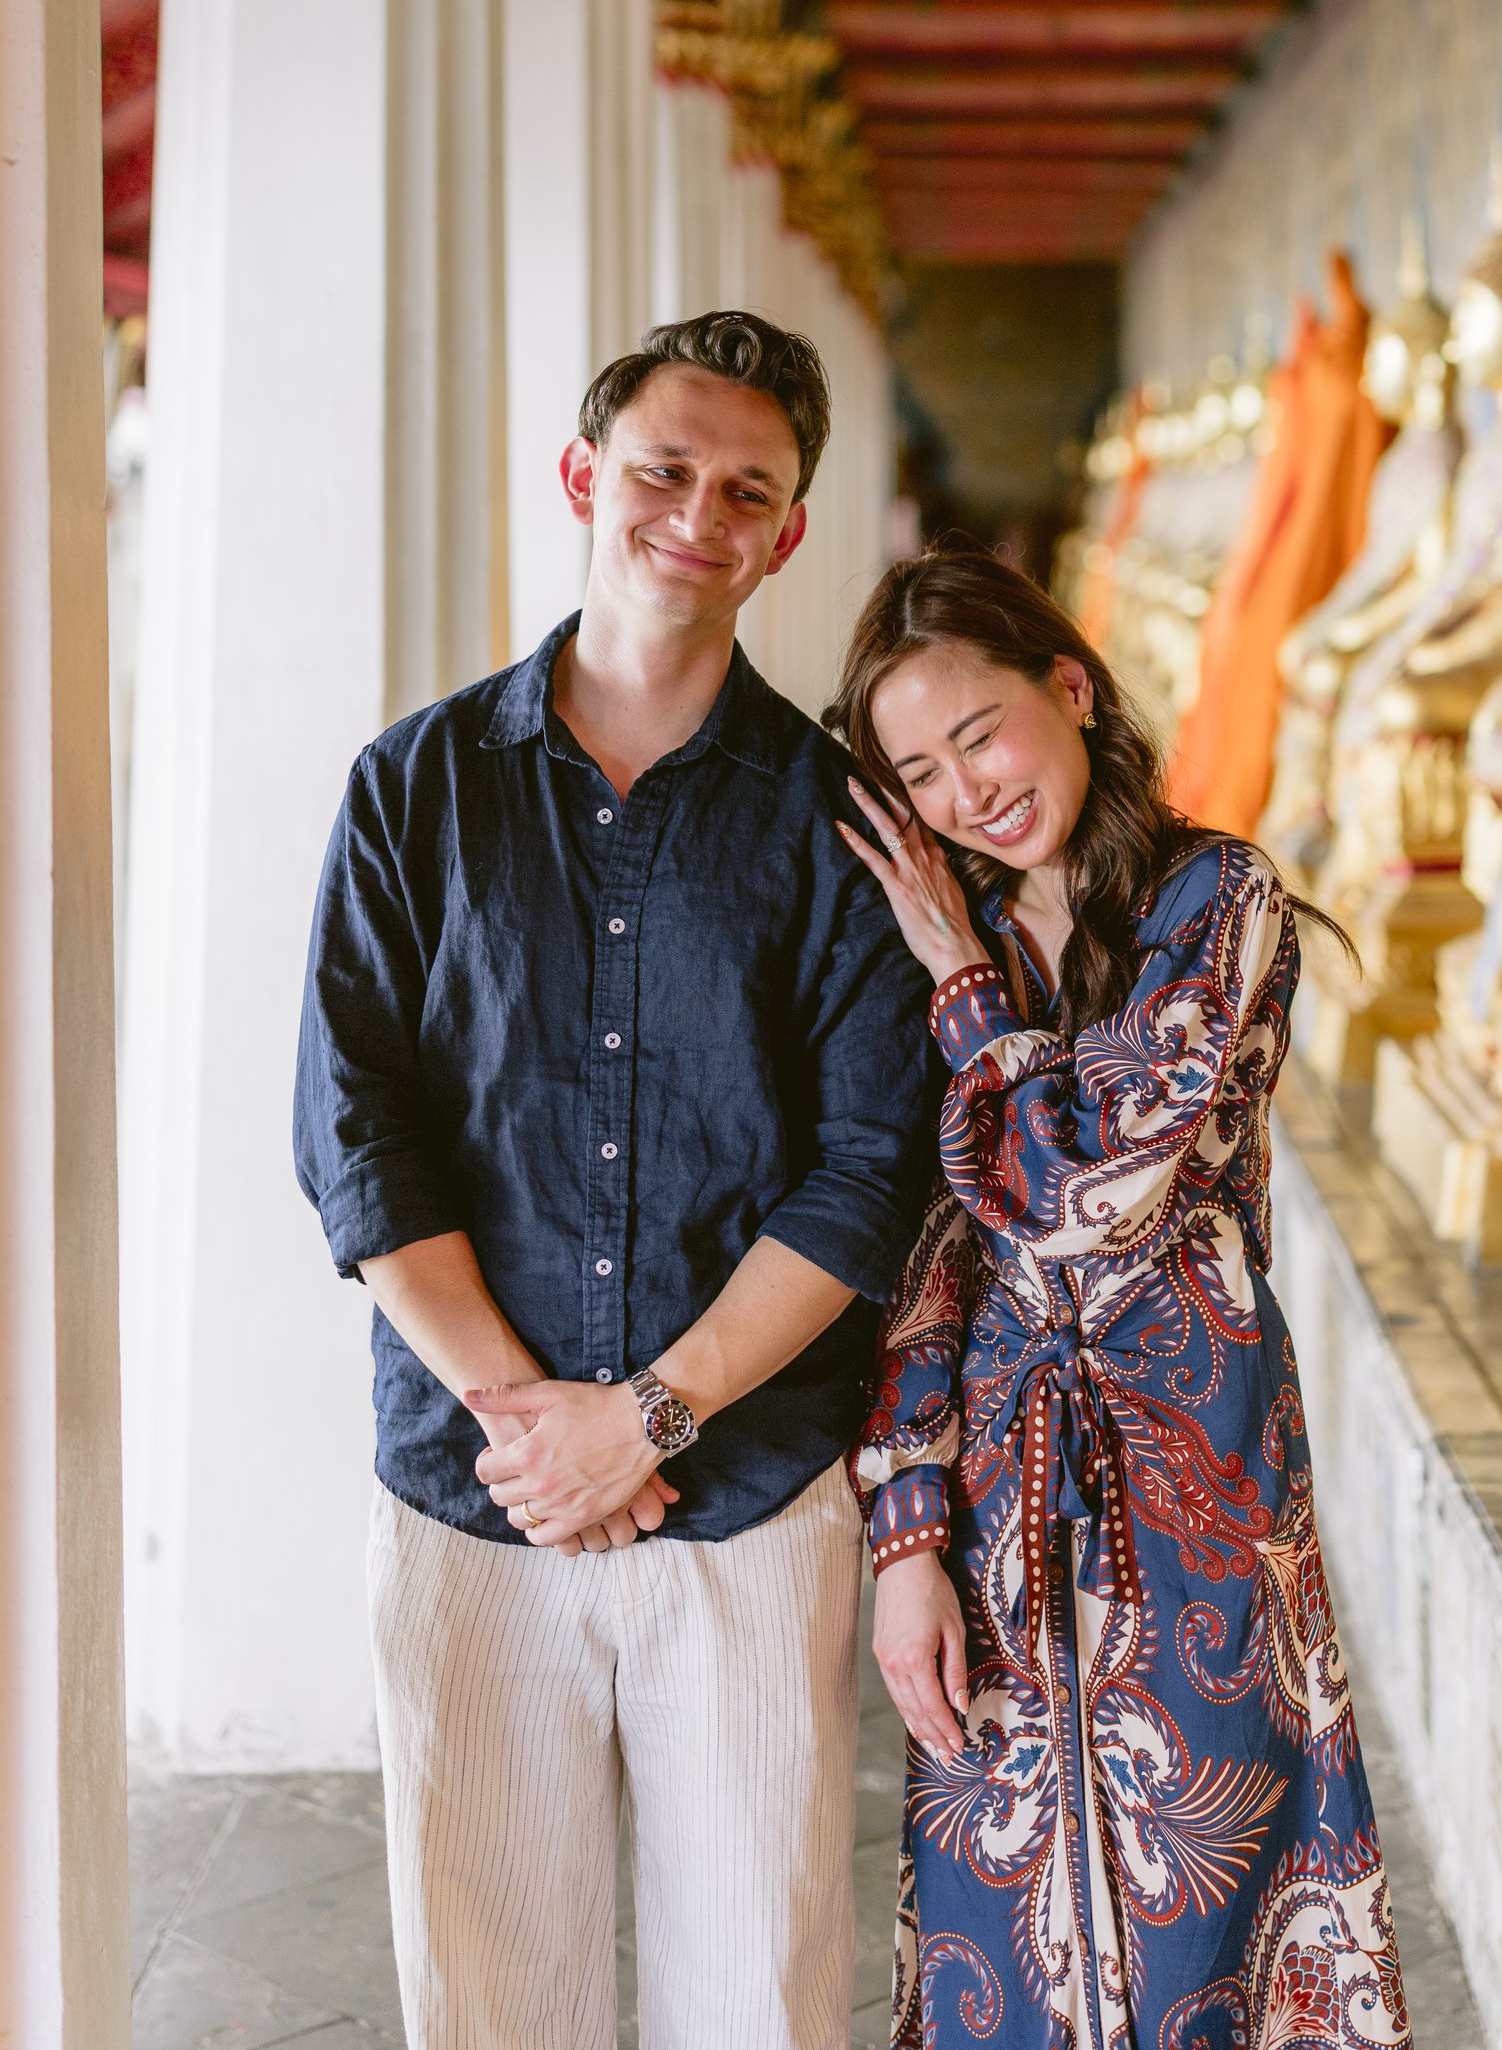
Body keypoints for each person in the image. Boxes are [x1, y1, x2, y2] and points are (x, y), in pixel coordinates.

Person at [294, 311, 942, 2050]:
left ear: (787, 536)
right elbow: (357, 1132)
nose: (697, 515)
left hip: (749, 1493)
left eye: (748, 492)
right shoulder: (415, 788)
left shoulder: (839, 819)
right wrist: (534, 1427)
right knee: (493, 1998)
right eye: (665, 470)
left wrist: (645, 1419)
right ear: (586, 476)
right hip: (475, 1491)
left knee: (759, 1998)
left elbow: (869, 1170)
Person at [826, 542, 1411, 2050]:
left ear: (1071, 689)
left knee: (1205, 1904)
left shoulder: (1217, 899)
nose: (968, 794)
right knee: (1009, 1921)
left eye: (982, 735)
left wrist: (969, 996)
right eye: (921, 774)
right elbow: (927, 1253)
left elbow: (1096, 1183)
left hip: (1200, 1470)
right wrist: (907, 1529)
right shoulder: (935, 933)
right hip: (998, 1489)